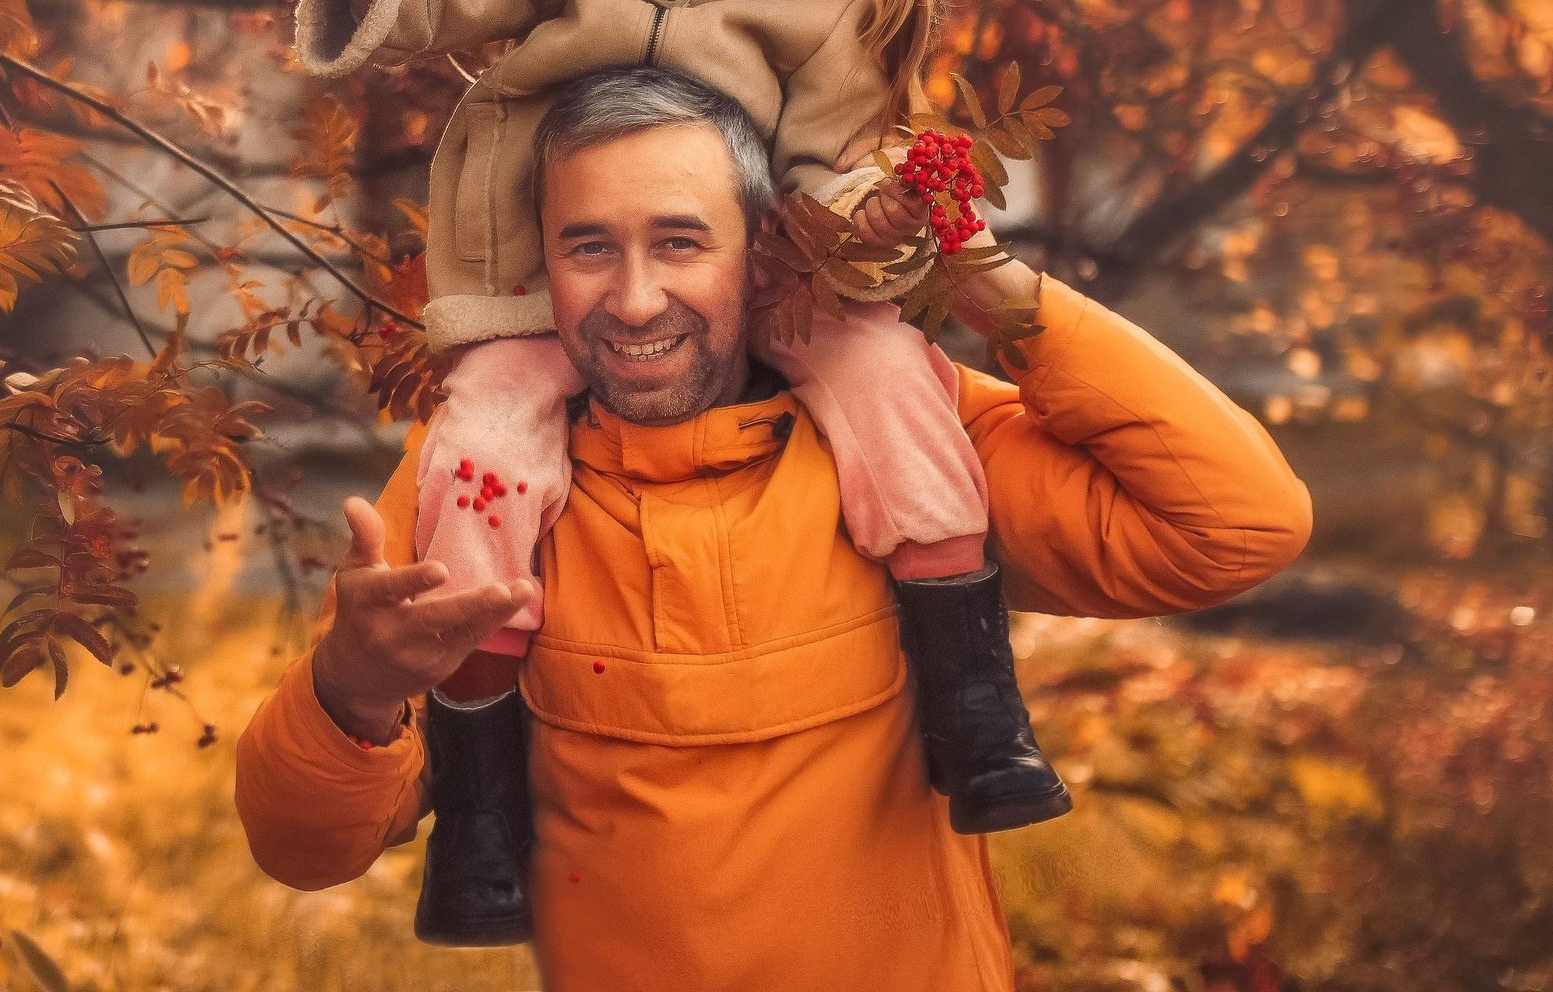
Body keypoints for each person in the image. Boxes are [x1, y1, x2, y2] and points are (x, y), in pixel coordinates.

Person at [234, 67, 1313, 988]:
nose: (638, 299)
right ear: (539, 272)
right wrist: (350, 692)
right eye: (590, 248)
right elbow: (302, 851)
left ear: (759, 257)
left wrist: (998, 294)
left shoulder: (910, 437)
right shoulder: (482, 488)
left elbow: (1236, 526)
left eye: (679, 241)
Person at [295, 0, 1047, 942]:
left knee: (891, 383)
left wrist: (865, 219)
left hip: (752, 282)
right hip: (552, 282)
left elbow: (831, 160)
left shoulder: (825, 4)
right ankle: (480, 809)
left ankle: (973, 705)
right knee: (479, 460)